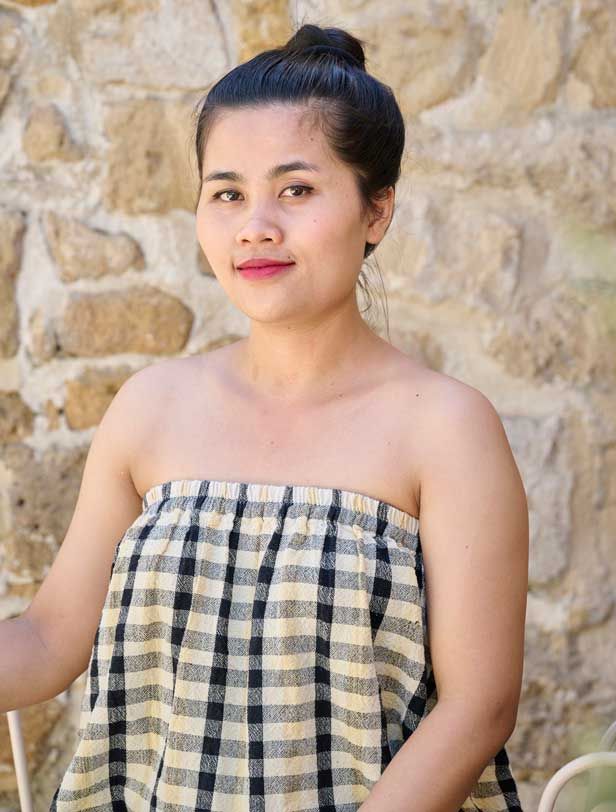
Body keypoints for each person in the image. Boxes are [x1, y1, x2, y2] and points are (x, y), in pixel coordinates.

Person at [0, 22, 529, 812]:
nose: (255, 226)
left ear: (376, 211)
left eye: (297, 190)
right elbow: (48, 639)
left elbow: (478, 708)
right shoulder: (151, 407)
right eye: (227, 193)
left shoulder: (446, 428)